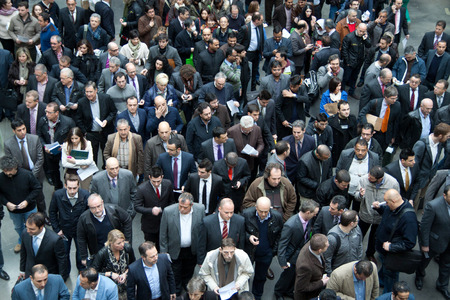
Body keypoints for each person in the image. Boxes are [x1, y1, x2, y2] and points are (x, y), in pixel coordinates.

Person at [373, 189, 418, 294]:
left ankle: (389, 294)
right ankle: (381, 280)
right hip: (383, 250)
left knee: (391, 275)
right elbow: (387, 214)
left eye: (386, 202)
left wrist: (392, 247)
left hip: (392, 253)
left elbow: (410, 243)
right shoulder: (393, 207)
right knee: (385, 266)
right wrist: (379, 208)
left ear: (393, 201)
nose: (385, 205)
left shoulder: (409, 218)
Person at [160, 192, 205, 295]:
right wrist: (164, 252)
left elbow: (202, 230)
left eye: (185, 207)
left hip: (191, 248)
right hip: (175, 248)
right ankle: (177, 290)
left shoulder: (200, 209)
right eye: (180, 206)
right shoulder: (168, 211)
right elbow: (163, 234)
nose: (181, 209)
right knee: (175, 271)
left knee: (189, 269)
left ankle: (186, 285)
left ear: (191, 205)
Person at [275, 200, 320, 300]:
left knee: (295, 275)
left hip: (301, 254)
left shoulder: (309, 220)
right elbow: (282, 244)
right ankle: (279, 291)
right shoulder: (290, 224)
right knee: (287, 276)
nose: (315, 215)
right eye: (314, 213)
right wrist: (282, 262)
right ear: (308, 212)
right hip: (291, 256)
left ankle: (289, 291)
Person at [243, 197, 283, 300]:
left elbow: (280, 235)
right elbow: (240, 231)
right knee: (244, 275)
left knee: (260, 278)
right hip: (249, 252)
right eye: (261, 211)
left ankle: (257, 296)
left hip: (266, 253)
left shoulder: (277, 217)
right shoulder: (246, 214)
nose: (264, 214)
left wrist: (273, 251)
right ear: (256, 208)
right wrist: (249, 237)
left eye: (266, 211)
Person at [357, 166, 400, 263]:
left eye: (371, 179)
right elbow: (356, 196)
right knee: (359, 234)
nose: (368, 179)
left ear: (379, 179)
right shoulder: (363, 180)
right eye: (369, 176)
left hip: (380, 216)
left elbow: (396, 199)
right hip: (365, 213)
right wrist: (360, 195)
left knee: (375, 237)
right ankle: (355, 253)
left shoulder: (393, 183)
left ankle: (370, 254)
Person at [49, 173, 89, 277]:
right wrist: (57, 229)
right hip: (64, 230)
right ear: (65, 186)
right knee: (64, 253)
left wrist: (85, 230)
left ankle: (81, 271)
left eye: (74, 188)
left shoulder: (85, 195)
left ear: (78, 185)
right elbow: (52, 212)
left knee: (81, 253)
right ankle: (65, 273)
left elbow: (88, 214)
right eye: (69, 188)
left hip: (79, 231)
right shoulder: (58, 195)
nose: (72, 191)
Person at [77, 193, 133, 267]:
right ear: (89, 207)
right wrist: (84, 257)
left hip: (117, 249)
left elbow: (127, 219)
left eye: (98, 206)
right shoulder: (84, 218)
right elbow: (81, 237)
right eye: (93, 208)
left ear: (102, 202)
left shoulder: (113, 210)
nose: (97, 210)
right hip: (98, 252)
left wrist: (126, 240)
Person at [414, 185, 450, 298]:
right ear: (444, 196)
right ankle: (419, 276)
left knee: (446, 264)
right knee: (424, 261)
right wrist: (424, 244)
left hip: (449, 243)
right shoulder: (433, 206)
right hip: (434, 242)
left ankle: (442, 285)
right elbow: (425, 227)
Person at [0, 156, 40, 254]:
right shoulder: (1, 178)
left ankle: (34, 243)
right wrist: (7, 203)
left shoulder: (27, 175)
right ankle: (22, 240)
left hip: (29, 208)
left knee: (32, 227)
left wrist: (27, 201)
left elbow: (37, 188)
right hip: (14, 211)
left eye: (10, 170)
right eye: (5, 171)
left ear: (15, 167)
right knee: (18, 227)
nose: (7, 173)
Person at [75, 81, 117, 166]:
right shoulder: (82, 102)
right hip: (91, 134)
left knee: (107, 155)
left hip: (105, 132)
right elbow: (78, 119)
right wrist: (85, 132)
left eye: (90, 92)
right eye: (86, 92)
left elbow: (113, 112)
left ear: (96, 90)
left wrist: (107, 120)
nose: (88, 94)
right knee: (92, 157)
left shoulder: (106, 98)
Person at [37, 102, 75, 190]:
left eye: (49, 112)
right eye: (46, 111)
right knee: (53, 171)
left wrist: (65, 145)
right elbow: (39, 135)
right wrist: (44, 146)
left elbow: (75, 137)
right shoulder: (43, 121)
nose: (47, 114)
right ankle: (58, 186)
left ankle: (69, 187)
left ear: (56, 113)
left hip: (65, 151)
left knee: (68, 170)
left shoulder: (68, 122)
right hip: (50, 151)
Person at [412, 123, 450, 210]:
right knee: (414, 202)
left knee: (420, 200)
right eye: (447, 136)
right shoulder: (421, 144)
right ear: (440, 136)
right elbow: (414, 164)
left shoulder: (439, 144)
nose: (448, 138)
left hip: (428, 179)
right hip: (418, 180)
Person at [197, 198, 246, 265]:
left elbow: (241, 242)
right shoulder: (207, 222)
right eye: (226, 212)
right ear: (219, 209)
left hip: (232, 260)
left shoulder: (240, 221)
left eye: (231, 212)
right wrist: (201, 262)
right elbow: (202, 244)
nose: (229, 215)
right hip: (212, 260)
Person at [20, 212, 67, 280]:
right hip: (30, 273)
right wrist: (22, 270)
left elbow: (62, 261)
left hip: (47, 275)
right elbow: (23, 252)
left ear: (41, 227)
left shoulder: (55, 240)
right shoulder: (25, 233)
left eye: (32, 229)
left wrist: (61, 278)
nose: (28, 231)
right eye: (27, 227)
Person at [92, 229, 136, 298]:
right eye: (118, 243)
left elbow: (133, 264)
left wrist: (125, 273)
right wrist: (110, 274)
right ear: (111, 243)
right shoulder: (102, 254)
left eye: (123, 241)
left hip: (127, 284)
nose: (122, 245)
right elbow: (93, 273)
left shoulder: (127, 248)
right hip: (111, 286)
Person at [359, 86, 401, 152]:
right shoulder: (374, 103)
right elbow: (362, 113)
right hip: (374, 132)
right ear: (386, 97)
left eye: (396, 98)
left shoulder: (397, 105)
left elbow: (396, 122)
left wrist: (393, 136)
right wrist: (367, 127)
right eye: (392, 98)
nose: (394, 100)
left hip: (386, 135)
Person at [4, 118, 44, 183]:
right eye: (19, 130)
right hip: (20, 176)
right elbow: (11, 163)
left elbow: (40, 158)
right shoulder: (8, 144)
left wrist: (33, 175)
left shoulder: (35, 139)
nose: (23, 132)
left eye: (24, 129)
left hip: (37, 173)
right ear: (14, 131)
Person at [324, 210, 364, 275]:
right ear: (351, 223)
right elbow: (327, 258)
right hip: (338, 272)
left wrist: (358, 262)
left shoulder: (357, 229)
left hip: (353, 268)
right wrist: (329, 274)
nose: (358, 222)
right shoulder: (332, 238)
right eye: (357, 221)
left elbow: (359, 246)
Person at [294, 234, 329, 300]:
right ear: (320, 250)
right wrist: (322, 282)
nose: (329, 245)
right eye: (327, 246)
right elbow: (302, 287)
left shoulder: (312, 244)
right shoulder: (305, 266)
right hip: (307, 296)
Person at [341, 23, 371, 98]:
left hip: (359, 61)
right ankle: (342, 93)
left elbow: (369, 45)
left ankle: (351, 91)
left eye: (363, 32)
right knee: (345, 78)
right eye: (360, 31)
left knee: (355, 77)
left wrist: (366, 38)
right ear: (357, 28)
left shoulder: (363, 37)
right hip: (350, 62)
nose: (361, 33)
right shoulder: (349, 37)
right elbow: (344, 50)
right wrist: (347, 62)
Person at [238, 13, 264, 91]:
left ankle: (253, 89)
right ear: (256, 20)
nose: (262, 22)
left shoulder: (260, 26)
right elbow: (239, 42)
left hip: (256, 53)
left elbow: (261, 39)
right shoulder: (244, 28)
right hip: (247, 54)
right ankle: (246, 89)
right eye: (261, 20)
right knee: (247, 73)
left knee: (255, 71)